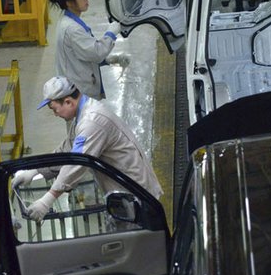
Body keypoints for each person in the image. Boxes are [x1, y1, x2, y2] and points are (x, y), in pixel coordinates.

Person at [13, 76, 164, 221]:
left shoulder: (92, 122)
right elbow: (67, 150)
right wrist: (35, 170)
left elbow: (76, 163)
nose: (55, 114)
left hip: (136, 193)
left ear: (68, 102)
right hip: (123, 189)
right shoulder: (83, 114)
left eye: (54, 109)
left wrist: (48, 199)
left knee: (140, 236)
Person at [48, 0, 121, 100]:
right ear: (69, 3)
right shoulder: (72, 29)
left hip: (76, 87)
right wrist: (111, 34)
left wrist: (106, 61)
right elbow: (96, 52)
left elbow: (81, 52)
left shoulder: (67, 21)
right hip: (79, 92)